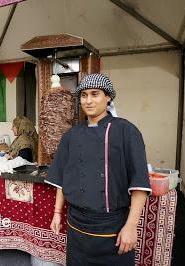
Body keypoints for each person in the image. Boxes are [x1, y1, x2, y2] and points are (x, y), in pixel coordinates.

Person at [45, 73, 151, 265]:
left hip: (112, 228)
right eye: (84, 95)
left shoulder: (126, 131)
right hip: (76, 227)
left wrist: (131, 226)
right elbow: (62, 177)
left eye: (95, 94)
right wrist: (57, 213)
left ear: (108, 97)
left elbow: (139, 185)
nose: (88, 100)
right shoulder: (71, 135)